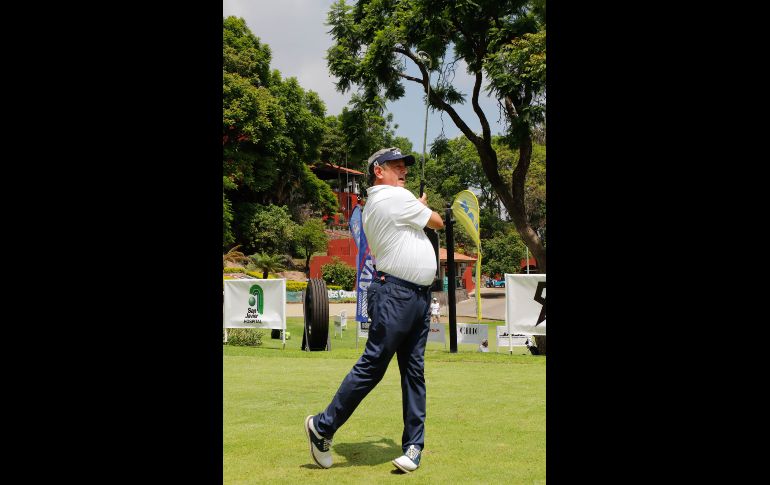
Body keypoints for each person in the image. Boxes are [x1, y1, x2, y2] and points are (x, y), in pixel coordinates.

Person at [305, 147, 444, 473]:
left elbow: (416, 226)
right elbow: (437, 221)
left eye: (405, 166)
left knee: (413, 371)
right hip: (397, 295)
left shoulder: (385, 204)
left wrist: (416, 209)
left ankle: (413, 446)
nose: (404, 171)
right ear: (378, 170)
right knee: (374, 365)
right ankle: (322, 427)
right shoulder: (393, 197)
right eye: (397, 166)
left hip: (416, 296)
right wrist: (422, 208)